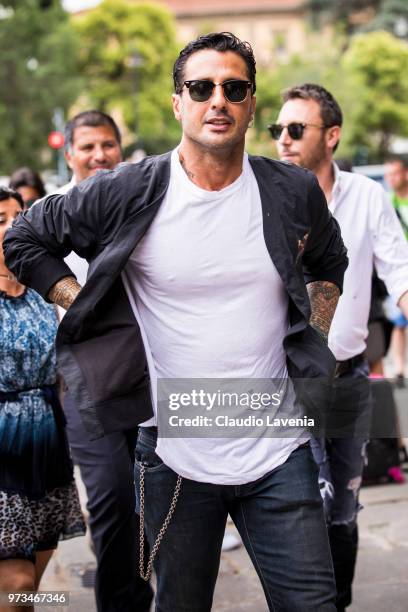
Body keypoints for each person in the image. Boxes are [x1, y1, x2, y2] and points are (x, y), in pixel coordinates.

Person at [4, 33, 349, 611]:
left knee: (313, 604)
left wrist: (314, 332)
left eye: (233, 88)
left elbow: (328, 262)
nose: (218, 100)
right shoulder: (127, 191)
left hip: (278, 448)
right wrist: (82, 299)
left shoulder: (289, 189)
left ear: (251, 104)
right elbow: (25, 238)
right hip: (174, 456)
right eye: (201, 87)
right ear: (177, 102)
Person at [272, 82, 408, 610]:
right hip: (286, 381)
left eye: (296, 129)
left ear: (331, 135)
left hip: (348, 376)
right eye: (278, 129)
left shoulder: (368, 197)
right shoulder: (267, 196)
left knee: (344, 504)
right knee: (299, 500)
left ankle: (339, 602)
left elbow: (397, 267)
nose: (283, 139)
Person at [56, 110, 153, 612]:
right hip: (85, 385)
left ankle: (139, 590)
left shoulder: (140, 208)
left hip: (149, 378)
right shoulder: (50, 216)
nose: (99, 155)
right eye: (88, 146)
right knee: (113, 497)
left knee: (151, 495)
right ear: (69, 153)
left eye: (108, 145)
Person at [0, 187, 85, 610]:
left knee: (30, 581)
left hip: (47, 442)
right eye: (0, 218)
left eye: (18, 217)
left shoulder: (42, 289)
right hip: (2, 447)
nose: (11, 227)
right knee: (14, 583)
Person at [384, 156, 408, 386]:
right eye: (387, 175)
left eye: (395, 174)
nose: (390, 179)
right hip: (401, 269)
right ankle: (399, 367)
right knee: (399, 322)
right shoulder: (387, 201)